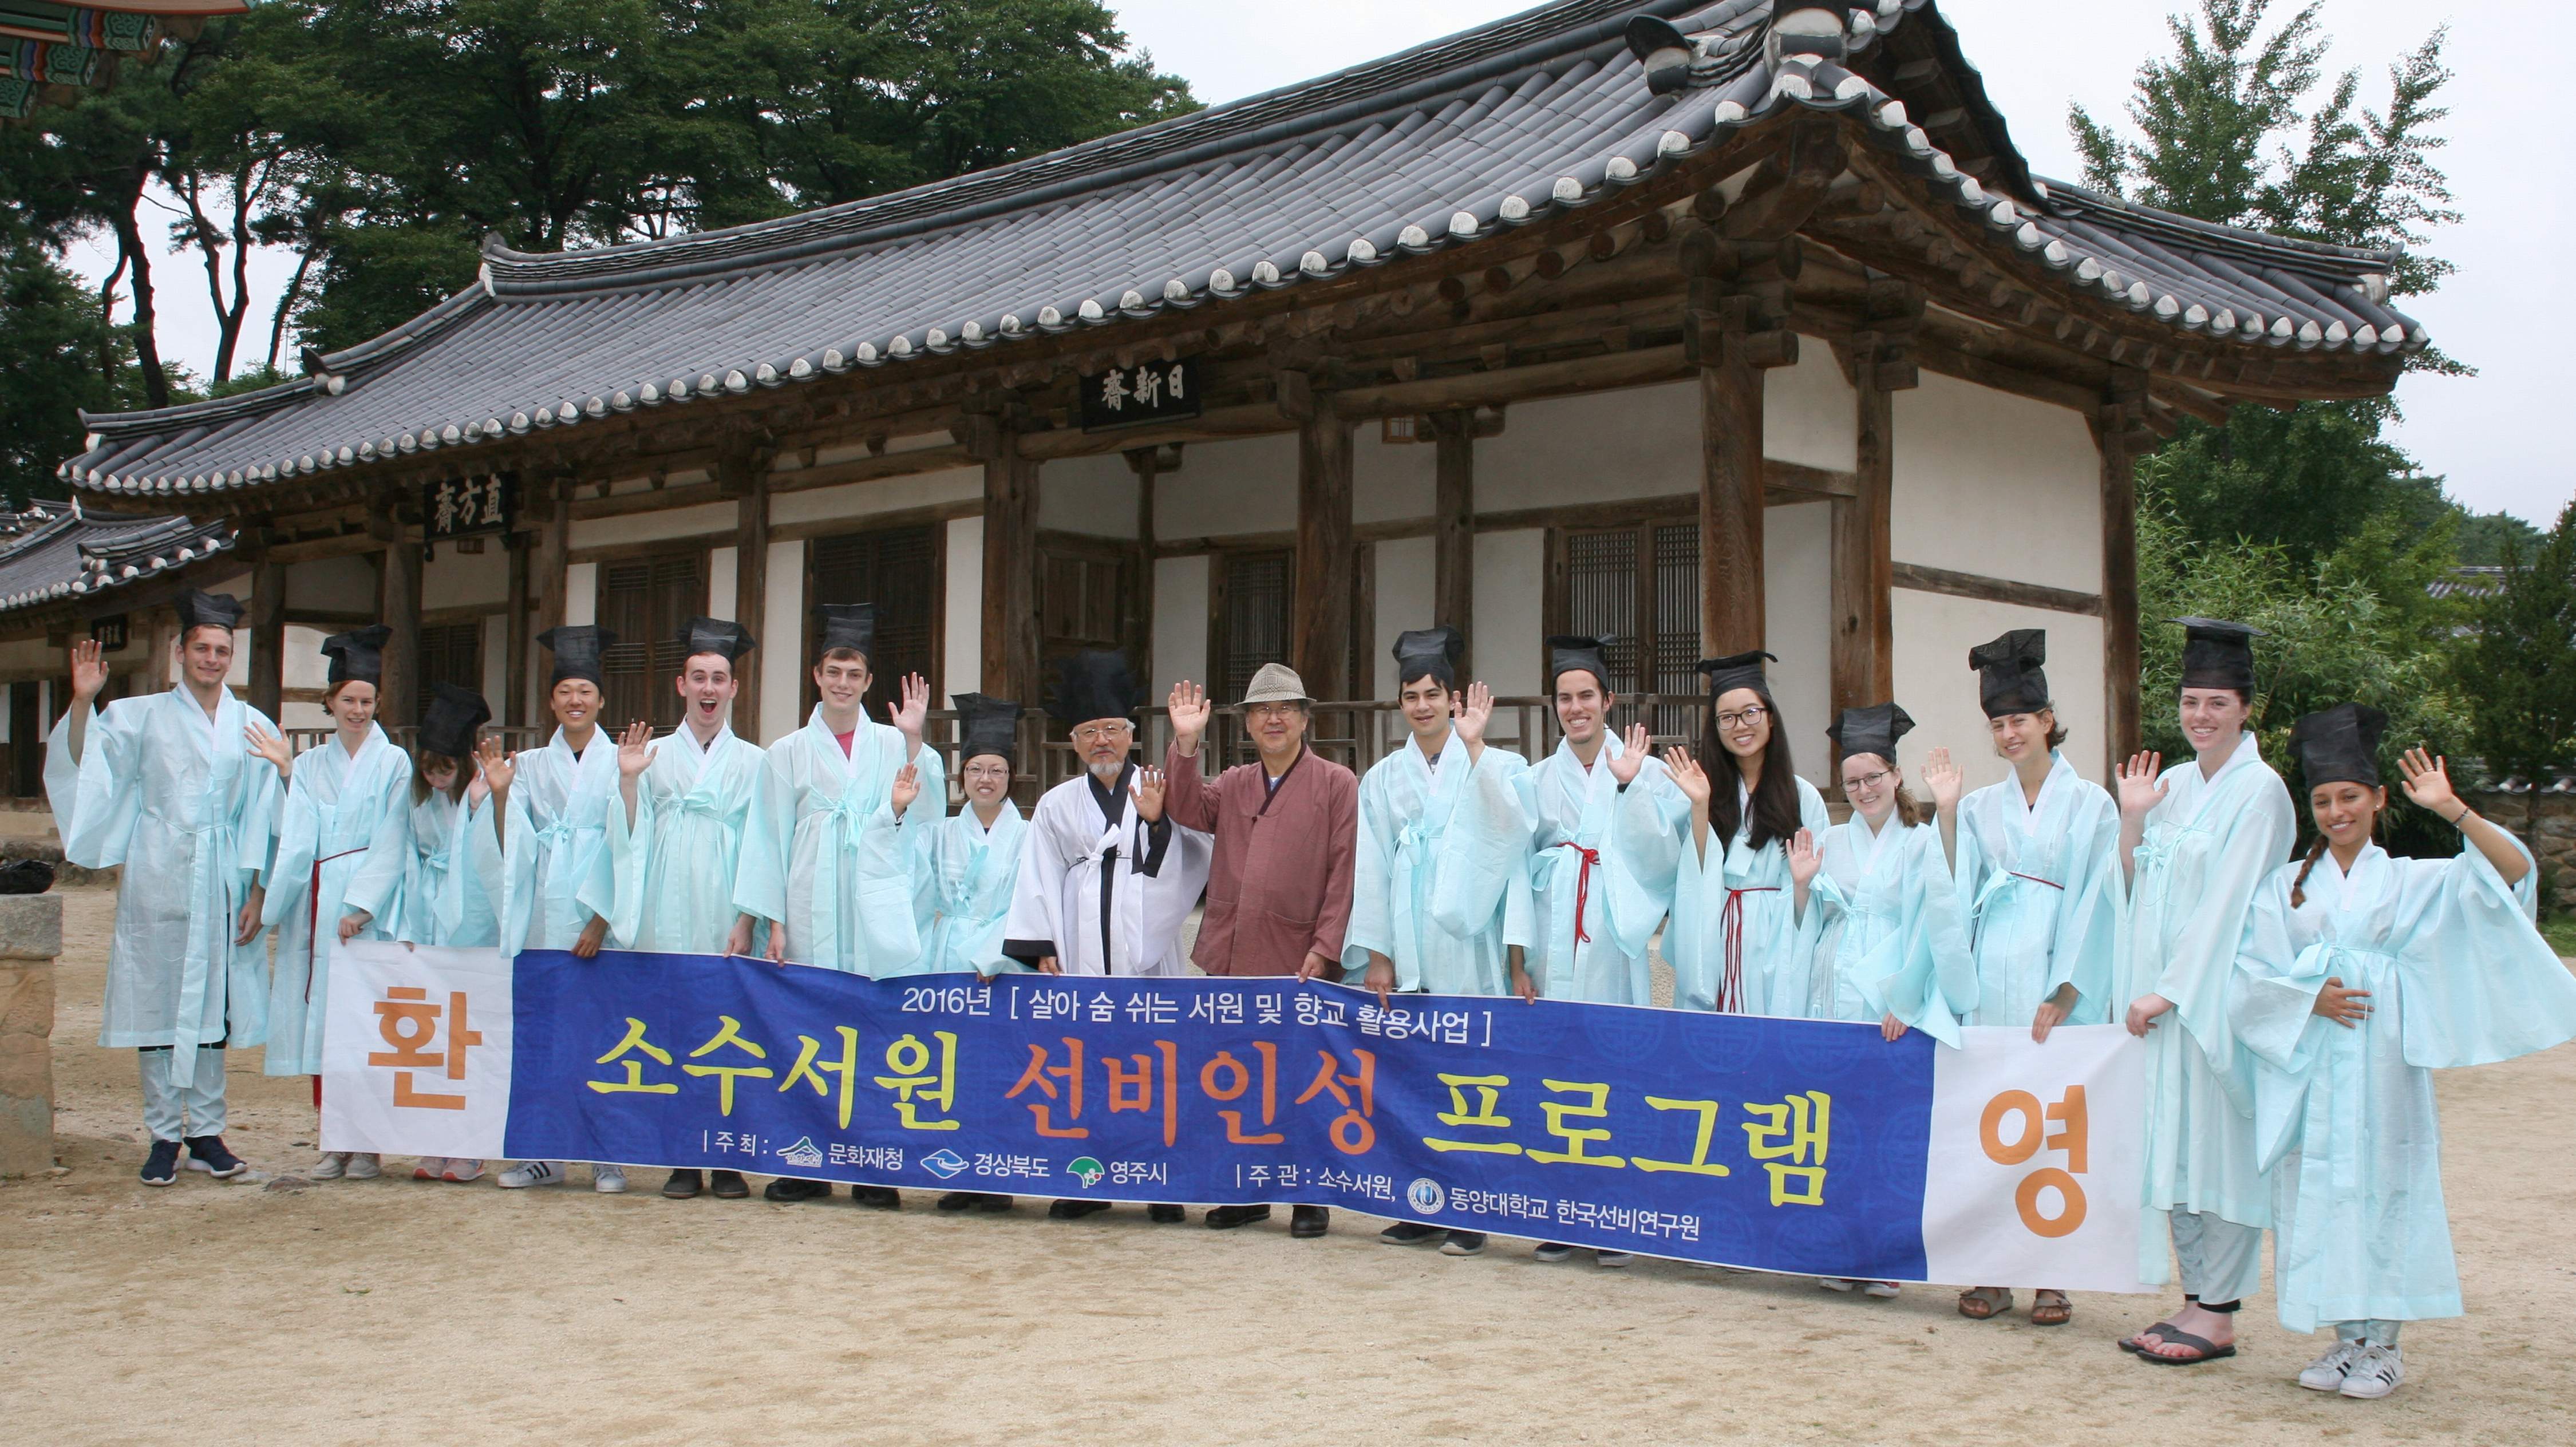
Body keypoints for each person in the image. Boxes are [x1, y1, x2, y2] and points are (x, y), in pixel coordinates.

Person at [2232, 709, 2576, 1399]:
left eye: (2351, 796)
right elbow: (2247, 974)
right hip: (2311, 1061)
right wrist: (2307, 999)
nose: (2337, 811)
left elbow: (2511, 877)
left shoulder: (2417, 879)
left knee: (2386, 1181)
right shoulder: (2282, 887)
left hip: (2384, 1058)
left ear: (2379, 798)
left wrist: (2454, 808)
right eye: (2324, 800)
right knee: (2316, 1186)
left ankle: (2384, 1343)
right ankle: (2344, 1337)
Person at [45, 591, 281, 1185]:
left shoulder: (252, 724)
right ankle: (162, 1134)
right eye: (201, 647)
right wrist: (82, 701)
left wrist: (257, 892)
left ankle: (206, 1132)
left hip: (224, 874)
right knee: (158, 1002)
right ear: (180, 651)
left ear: (233, 656)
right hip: (158, 870)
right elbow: (88, 770)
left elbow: (263, 811)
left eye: (221, 649)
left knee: (212, 1007)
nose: (211, 658)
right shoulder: (136, 714)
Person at [2114, 618, 2297, 1365]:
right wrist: (2132, 819)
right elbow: (2134, 885)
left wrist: (2172, 991)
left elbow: (2231, 903)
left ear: (2246, 709)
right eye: (2191, 701)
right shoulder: (2176, 785)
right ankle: (2194, 1299)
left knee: (2219, 1149)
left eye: (2217, 703)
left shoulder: (2262, 793)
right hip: (2163, 1003)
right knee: (2174, 1149)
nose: (2200, 716)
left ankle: (2219, 1312)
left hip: (2217, 1002)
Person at [1936, 630, 2119, 1327]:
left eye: (2021, 719)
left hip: (2052, 972)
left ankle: (2052, 1274)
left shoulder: (2092, 803)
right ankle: (1991, 1266)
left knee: (2052, 1123)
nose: (2010, 734)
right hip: (1989, 974)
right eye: (1998, 724)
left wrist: (2066, 988)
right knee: (1991, 1119)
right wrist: (1948, 814)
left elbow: (2096, 901)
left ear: (2047, 720)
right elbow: (1954, 888)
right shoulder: (1983, 806)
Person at [733, 602, 942, 1208]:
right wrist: (771, 919)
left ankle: (873, 1165)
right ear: (817, 675)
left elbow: (926, 813)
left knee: (873, 1027)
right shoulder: (787, 750)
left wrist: (913, 737)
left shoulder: (889, 740)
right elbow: (766, 837)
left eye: (854, 673)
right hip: (810, 899)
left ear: (868, 681)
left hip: (872, 899)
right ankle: (807, 1161)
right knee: (809, 1032)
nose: (843, 682)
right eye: (833, 671)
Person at [999, 649, 1210, 1226]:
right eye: (1089, 731)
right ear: (1073, 739)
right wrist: (1040, 942)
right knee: (1088, 1063)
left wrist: (1158, 822)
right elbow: (1038, 875)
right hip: (1083, 943)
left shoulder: (1157, 783)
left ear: (1131, 733)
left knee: (1155, 1063)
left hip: (1149, 948)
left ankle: (1162, 1183)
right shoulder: (1056, 804)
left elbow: (1196, 854)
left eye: (1112, 729)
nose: (1102, 741)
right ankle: (1089, 1177)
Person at [1152, 663, 1358, 1240]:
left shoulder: (1337, 782)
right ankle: (1244, 1192)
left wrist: (1326, 944)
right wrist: (1186, 743)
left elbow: (1346, 868)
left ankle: (1308, 1196)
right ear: (1246, 723)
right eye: (1263, 710)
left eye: (1286, 708)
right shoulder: (1236, 782)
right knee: (1238, 1077)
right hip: (1235, 951)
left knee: (1305, 1079)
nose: (1274, 717)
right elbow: (1186, 807)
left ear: (1305, 718)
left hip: (1299, 955)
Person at [1344, 627, 1532, 1259]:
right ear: (1399, 703)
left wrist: (1476, 749)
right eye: (1411, 695)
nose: (1422, 705)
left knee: (1471, 1079)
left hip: (1468, 942)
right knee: (1414, 1079)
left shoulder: (1497, 763)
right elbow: (1369, 865)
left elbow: (1512, 842)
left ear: (1454, 699)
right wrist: (1378, 953)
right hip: (1407, 932)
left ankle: (1472, 1206)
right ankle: (1422, 1203)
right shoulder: (1380, 778)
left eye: (1433, 693)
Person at [595, 617, 767, 1203]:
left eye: (719, 677)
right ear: (681, 685)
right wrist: (626, 782)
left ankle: (727, 1159)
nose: (709, 687)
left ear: (734, 688)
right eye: (698, 677)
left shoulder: (754, 760)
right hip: (666, 900)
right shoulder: (654, 752)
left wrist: (747, 916)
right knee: (674, 1028)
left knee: (728, 1031)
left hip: (724, 901)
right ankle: (680, 1159)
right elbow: (627, 836)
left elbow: (761, 842)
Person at [254, 626, 412, 1184]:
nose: (359, 710)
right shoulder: (314, 765)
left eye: (367, 701)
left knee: (367, 1025)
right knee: (324, 1023)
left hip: (368, 905)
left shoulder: (394, 763)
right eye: (348, 699)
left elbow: (396, 838)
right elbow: (296, 832)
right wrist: (284, 773)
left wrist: (363, 904)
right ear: (329, 701)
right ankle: (332, 1139)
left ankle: (368, 1143)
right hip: (319, 899)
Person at [486, 624, 629, 1193]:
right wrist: (500, 792)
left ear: (600, 699)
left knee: (604, 1035)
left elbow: (629, 843)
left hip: (598, 913)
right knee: (543, 1037)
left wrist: (601, 917)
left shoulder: (620, 759)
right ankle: (541, 1154)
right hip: (547, 910)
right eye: (566, 690)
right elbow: (511, 843)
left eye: (586, 691)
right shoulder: (531, 765)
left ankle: (606, 1154)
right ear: (552, 700)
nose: (576, 700)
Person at [874, 693, 1030, 1213]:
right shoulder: (936, 834)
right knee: (952, 1069)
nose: (986, 780)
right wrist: (896, 816)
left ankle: (997, 1178)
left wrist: (992, 955)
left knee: (999, 1071)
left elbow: (1032, 905)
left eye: (997, 771)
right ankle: (959, 1171)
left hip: (999, 969)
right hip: (944, 962)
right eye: (977, 770)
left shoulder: (1030, 838)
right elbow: (902, 878)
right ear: (963, 778)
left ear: (1011, 779)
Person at [341, 682, 500, 1183]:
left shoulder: (482, 793)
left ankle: (471, 1148)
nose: (435, 778)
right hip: (425, 917)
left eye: (446, 769)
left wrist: (482, 806)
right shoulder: (411, 800)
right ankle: (431, 1142)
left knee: (470, 1040)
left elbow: (497, 860)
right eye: (428, 768)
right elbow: (389, 851)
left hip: (473, 924)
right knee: (428, 1039)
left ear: (465, 764)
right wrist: (362, 910)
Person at [1620, 649, 1830, 1018]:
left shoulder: (1803, 797)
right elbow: (1692, 876)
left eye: (1750, 713)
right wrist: (1700, 806)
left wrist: (1800, 890)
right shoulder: (1704, 787)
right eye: (1727, 718)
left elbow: (1816, 886)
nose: (1741, 726)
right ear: (1715, 728)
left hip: (1774, 935)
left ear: (1770, 717)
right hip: (1713, 931)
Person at [1499, 636, 1669, 1011]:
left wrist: (1629, 787)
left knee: (1613, 1034)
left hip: (1614, 929)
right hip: (1550, 924)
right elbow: (1517, 872)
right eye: (1565, 698)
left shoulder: (1649, 773)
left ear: (1607, 700)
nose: (1576, 708)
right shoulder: (1535, 778)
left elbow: (1666, 861)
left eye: (1587, 696)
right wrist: (1516, 965)